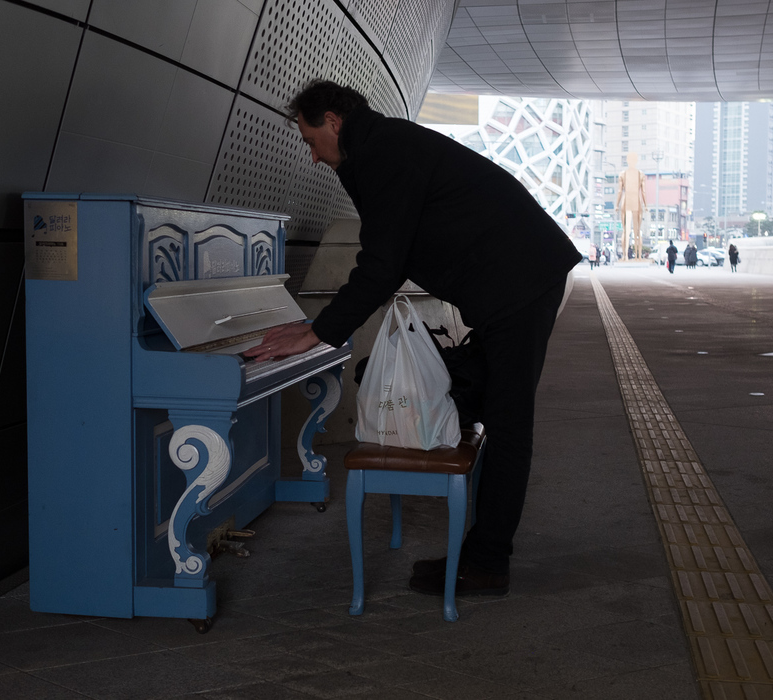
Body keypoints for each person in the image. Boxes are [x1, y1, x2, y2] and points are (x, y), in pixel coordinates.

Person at [244, 80, 582, 597]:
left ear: (334, 120)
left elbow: (382, 265)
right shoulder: (380, 147)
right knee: (486, 401)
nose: (312, 157)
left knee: (510, 423)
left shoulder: (384, 151)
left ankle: (488, 562)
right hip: (512, 283)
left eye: (312, 141)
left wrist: (316, 331)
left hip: (521, 283)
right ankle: (479, 545)